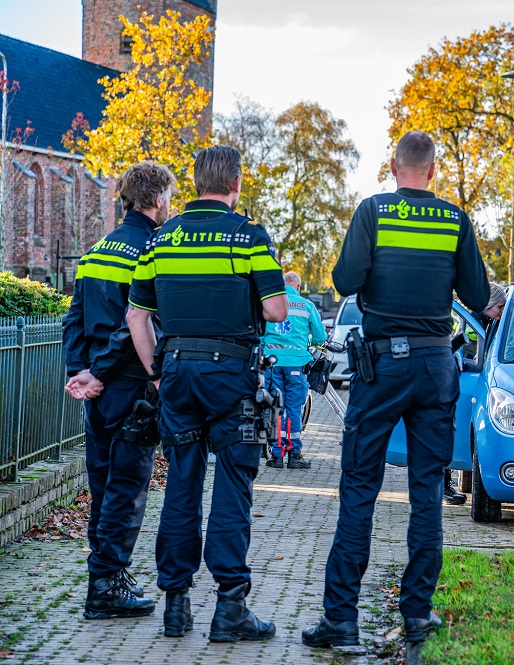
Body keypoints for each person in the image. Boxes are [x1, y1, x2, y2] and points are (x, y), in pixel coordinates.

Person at [302, 131, 489, 656]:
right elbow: (476, 294)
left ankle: (340, 620)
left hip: (381, 366)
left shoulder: (373, 211)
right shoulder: (455, 220)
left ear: (393, 166)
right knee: (427, 492)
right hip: (435, 365)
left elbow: (344, 280)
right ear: (433, 171)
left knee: (359, 489)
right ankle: (417, 613)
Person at [126, 145, 289, 642]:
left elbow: (136, 314)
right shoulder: (248, 236)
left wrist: (156, 372)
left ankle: (176, 606)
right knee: (233, 488)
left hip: (176, 373)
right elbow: (279, 310)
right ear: (235, 183)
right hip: (231, 377)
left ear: (195, 183)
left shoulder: (160, 240)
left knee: (181, 484)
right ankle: (230, 608)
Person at [63, 161, 177, 620]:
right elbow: (137, 325)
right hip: (129, 387)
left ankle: (108, 575)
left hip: (97, 393)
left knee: (102, 485)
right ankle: (106, 586)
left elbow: (74, 319)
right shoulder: (152, 250)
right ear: (156, 199)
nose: (171, 204)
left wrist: (81, 372)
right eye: (169, 196)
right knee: (126, 491)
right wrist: (102, 372)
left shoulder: (94, 252)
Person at [443, 281, 507, 505]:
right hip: (457, 380)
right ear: (487, 305)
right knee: (447, 431)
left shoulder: (483, 319)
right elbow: (469, 353)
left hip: (458, 379)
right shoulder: (473, 323)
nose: (502, 311)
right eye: (500, 306)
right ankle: (443, 486)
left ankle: (446, 483)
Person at [261, 271, 326, 469]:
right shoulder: (307, 306)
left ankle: (277, 456)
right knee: (294, 409)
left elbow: (260, 334)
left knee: (275, 408)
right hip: (297, 363)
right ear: (298, 287)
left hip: (272, 363)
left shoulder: (270, 303)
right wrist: (312, 342)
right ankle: (294, 454)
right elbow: (320, 336)